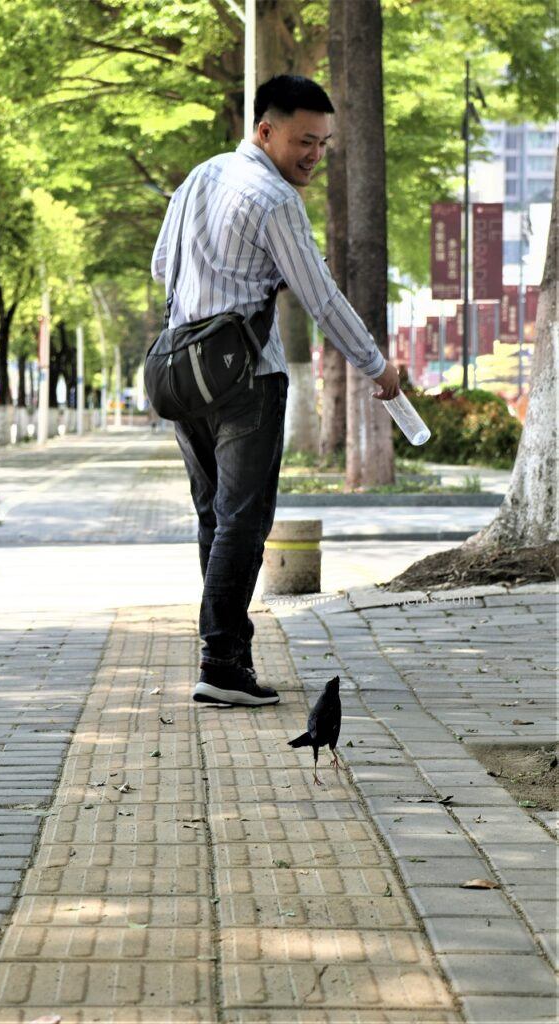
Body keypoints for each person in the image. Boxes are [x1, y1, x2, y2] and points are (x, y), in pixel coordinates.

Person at [151, 74, 399, 709]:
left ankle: (226, 656)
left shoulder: (199, 177)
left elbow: (161, 267)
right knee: (243, 520)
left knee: (215, 517)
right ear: (266, 131)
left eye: (324, 143)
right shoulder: (275, 199)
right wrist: (376, 366)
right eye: (304, 141)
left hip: (184, 371)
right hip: (247, 380)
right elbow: (319, 295)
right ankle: (221, 662)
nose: (314, 154)